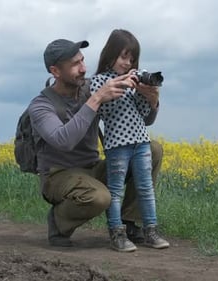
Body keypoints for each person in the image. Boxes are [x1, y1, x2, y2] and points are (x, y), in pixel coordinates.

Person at [27, 38, 163, 247]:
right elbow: (64, 141)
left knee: (151, 149)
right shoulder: (41, 106)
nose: (83, 69)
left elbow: (145, 120)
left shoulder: (93, 86)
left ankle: (129, 222)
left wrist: (151, 99)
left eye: (82, 61)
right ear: (55, 71)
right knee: (100, 197)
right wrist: (97, 99)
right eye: (75, 64)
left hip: (93, 168)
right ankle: (58, 222)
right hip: (59, 175)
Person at [90, 29, 169, 252]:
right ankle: (117, 233)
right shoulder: (99, 82)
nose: (127, 63)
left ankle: (151, 231)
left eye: (132, 59)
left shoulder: (133, 85)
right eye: (123, 56)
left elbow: (144, 114)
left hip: (141, 141)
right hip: (117, 145)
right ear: (110, 54)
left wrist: (148, 94)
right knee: (115, 191)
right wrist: (125, 81)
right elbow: (107, 105)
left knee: (146, 188)